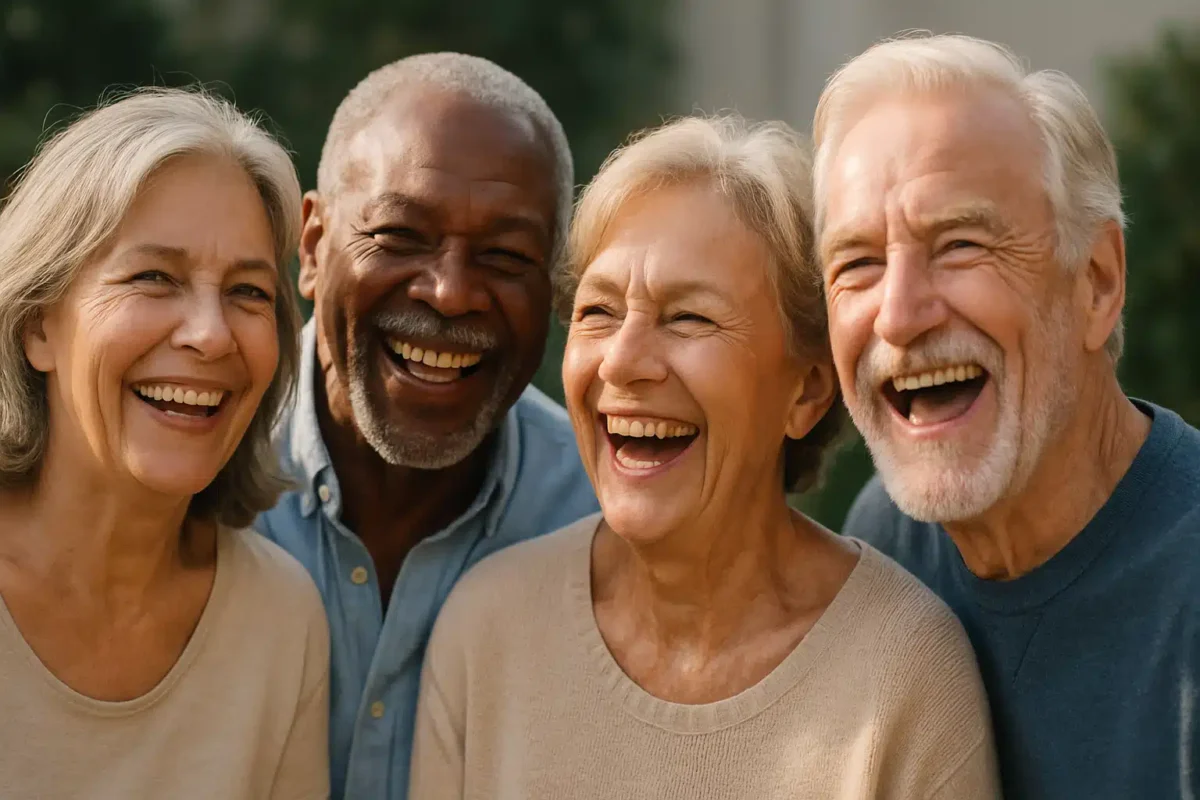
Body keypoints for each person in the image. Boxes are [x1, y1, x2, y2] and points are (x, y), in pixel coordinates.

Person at [408, 114, 1001, 799]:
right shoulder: (486, 631)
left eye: (688, 318)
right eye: (598, 311)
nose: (621, 362)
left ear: (807, 390)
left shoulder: (907, 672)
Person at [817, 32, 1200, 799]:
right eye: (857, 263)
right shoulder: (887, 547)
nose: (898, 316)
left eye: (960, 244)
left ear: (1097, 282)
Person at [254, 53, 598, 799]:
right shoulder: (194, 472)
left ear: (555, 286)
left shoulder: (607, 524)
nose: (449, 293)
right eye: (400, 236)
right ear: (312, 247)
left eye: (506, 255)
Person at [0, 87, 330, 798]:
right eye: (154, 277)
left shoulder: (281, 620)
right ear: (37, 325)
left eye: (248, 292)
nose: (210, 335)